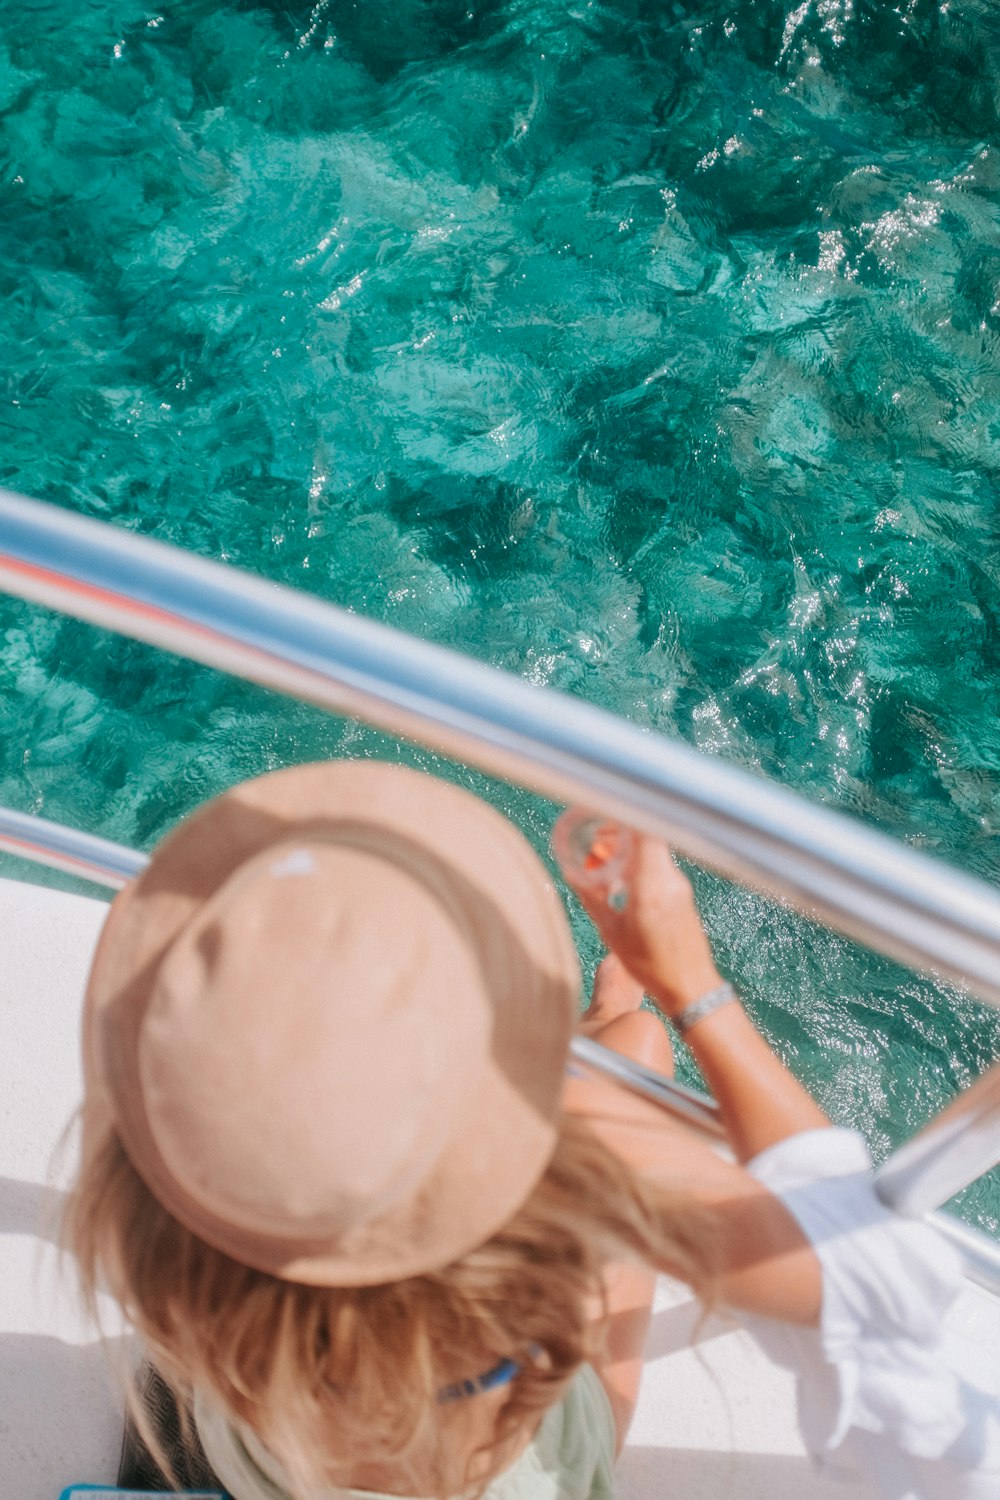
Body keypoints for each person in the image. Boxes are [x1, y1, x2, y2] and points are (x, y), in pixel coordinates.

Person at [66, 759, 998, 1500]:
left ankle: (609, 1021)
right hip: (513, 1475)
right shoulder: (567, 1176)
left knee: (613, 1075)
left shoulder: (175, 1223)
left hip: (269, 1459)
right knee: (636, 1055)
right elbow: (880, 1283)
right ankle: (618, 1004)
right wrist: (689, 985)